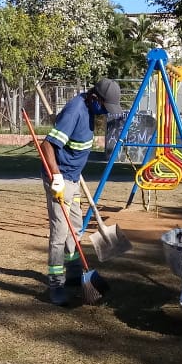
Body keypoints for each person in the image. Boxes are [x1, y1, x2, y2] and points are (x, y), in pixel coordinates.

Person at [40, 78, 123, 306]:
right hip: (60, 180)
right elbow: (47, 145)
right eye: (105, 107)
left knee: (75, 227)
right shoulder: (75, 111)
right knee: (59, 233)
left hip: (73, 179)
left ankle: (74, 273)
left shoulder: (90, 110)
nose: (105, 112)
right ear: (95, 98)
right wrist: (57, 178)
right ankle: (56, 284)